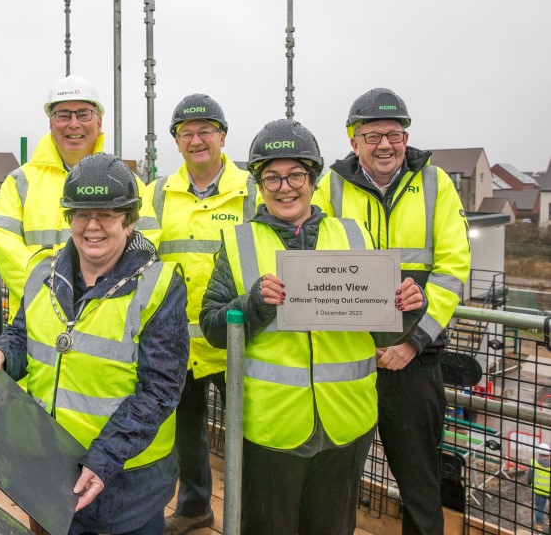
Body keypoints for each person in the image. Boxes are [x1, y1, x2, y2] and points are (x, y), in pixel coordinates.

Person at [200, 119, 426, 535]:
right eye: (272, 178)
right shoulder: (238, 242)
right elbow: (214, 326)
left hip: (346, 423)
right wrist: (252, 305)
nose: (285, 187)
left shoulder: (355, 236)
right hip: (272, 427)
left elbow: (385, 333)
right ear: (260, 185)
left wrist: (409, 308)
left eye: (296, 176)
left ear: (313, 179)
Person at [0, 153, 189, 535]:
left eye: (107, 215)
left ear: (129, 222)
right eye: (81, 214)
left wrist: (105, 457)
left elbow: (161, 389)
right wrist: (1, 353)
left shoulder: (158, 287)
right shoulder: (42, 274)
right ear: (69, 219)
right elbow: (22, 335)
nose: (92, 226)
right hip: (51, 467)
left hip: (129, 485)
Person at [313, 88, 471, 535]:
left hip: (416, 361)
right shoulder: (330, 186)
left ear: (406, 137)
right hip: (349, 358)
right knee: (338, 480)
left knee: (420, 484)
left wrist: (414, 340)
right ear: (354, 140)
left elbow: (454, 269)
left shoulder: (437, 184)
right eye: (373, 135)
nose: (386, 144)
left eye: (395, 133)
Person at [136, 94, 253, 534]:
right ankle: (194, 508)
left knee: (250, 432)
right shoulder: (159, 193)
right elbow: (143, 252)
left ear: (222, 136)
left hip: (237, 337)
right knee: (187, 435)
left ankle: (248, 513)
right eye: (187, 133)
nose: (197, 140)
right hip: (179, 343)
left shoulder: (251, 191)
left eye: (206, 130)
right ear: (176, 142)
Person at [0, 75, 107, 325]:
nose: (73, 124)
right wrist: (52, 292)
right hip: (34, 319)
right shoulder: (21, 181)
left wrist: (99, 293)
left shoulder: (125, 182)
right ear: (51, 124)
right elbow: (3, 241)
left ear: (99, 122)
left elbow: (144, 244)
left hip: (105, 318)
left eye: (83, 114)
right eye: (63, 115)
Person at [530, 443, 551, 533]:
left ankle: (539, 526)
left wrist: (529, 482)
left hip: (539, 490)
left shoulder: (534, 462)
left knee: (539, 508)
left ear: (539, 454)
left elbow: (529, 474)